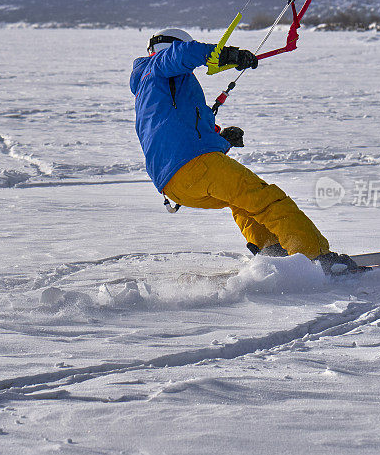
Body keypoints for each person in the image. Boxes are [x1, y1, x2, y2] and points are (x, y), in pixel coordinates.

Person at [129, 28, 365, 274]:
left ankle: (273, 251)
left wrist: (222, 140)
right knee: (267, 200)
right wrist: (229, 55)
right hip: (195, 165)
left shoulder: (150, 89)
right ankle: (316, 258)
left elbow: (181, 133)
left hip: (174, 186)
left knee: (242, 202)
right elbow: (184, 53)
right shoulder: (158, 65)